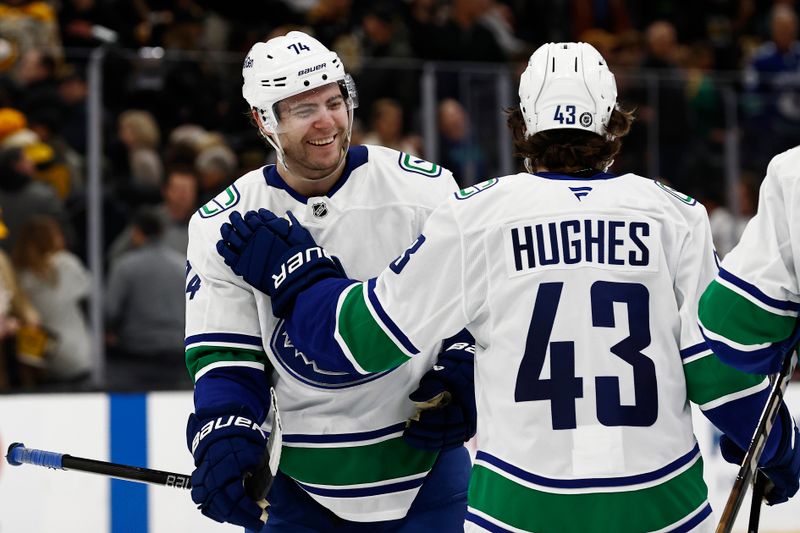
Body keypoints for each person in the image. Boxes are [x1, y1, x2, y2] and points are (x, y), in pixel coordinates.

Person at [217, 42, 800, 532]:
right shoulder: (678, 215)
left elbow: (356, 342)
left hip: (520, 509)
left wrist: (300, 273)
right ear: (614, 119)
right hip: (661, 505)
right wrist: (771, 447)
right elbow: (722, 371)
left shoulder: (478, 215)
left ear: (522, 122)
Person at [184, 31, 474, 532]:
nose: (326, 121)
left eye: (334, 101)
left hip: (427, 468)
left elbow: (474, 309)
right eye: (302, 109)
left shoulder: (425, 190)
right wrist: (224, 432)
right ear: (263, 121)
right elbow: (227, 358)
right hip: (300, 483)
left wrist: (466, 371)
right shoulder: (225, 223)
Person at [698, 145, 800, 375]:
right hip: (746, 305)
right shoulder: (722, 219)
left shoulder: (787, 167)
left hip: (743, 309)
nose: (737, 198)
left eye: (742, 194)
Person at [105, 206, 187, 390]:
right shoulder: (182, 266)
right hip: (177, 355)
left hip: (135, 357)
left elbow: (110, 312)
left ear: (136, 232)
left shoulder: (124, 267)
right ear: (162, 232)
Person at [12, 215, 92, 386]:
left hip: (40, 360)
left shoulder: (19, 277)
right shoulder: (67, 264)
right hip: (77, 355)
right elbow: (89, 293)